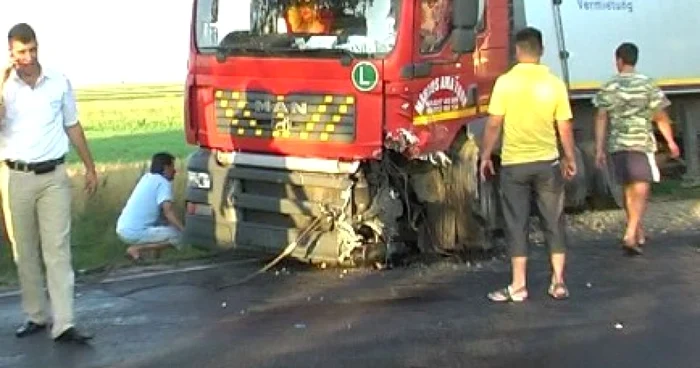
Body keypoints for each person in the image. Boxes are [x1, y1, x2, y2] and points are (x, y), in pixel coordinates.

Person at [0, 23, 97, 343]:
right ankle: (36, 316)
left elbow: (73, 125)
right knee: (24, 251)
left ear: (38, 47)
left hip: (54, 175)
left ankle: (65, 322)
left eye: (32, 50)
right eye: (21, 53)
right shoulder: (4, 86)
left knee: (57, 250)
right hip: (16, 176)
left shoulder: (58, 81)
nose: (28, 57)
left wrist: (89, 167)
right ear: (11, 54)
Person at [479, 27, 577, 302]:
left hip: (514, 166)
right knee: (553, 221)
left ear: (517, 51)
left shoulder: (505, 83)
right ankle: (558, 283)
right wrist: (569, 157)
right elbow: (565, 126)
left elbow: (494, 123)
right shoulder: (554, 84)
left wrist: (486, 155)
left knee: (516, 224)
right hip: (547, 164)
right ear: (542, 51)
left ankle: (518, 286)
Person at [592, 42, 680, 255]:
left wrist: (599, 148)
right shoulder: (647, 84)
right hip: (641, 143)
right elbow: (660, 116)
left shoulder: (609, 85)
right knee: (641, 186)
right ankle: (631, 233)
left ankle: (636, 228)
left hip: (618, 144)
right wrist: (670, 141)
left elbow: (601, 117)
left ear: (619, 61)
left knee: (628, 186)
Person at [116, 152, 184, 261]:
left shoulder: (146, 178)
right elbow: (168, 213)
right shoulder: (163, 183)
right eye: (172, 167)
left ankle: (154, 261)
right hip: (135, 231)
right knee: (178, 236)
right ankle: (136, 249)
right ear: (166, 168)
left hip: (122, 228)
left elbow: (162, 218)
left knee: (161, 226)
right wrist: (184, 231)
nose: (175, 171)